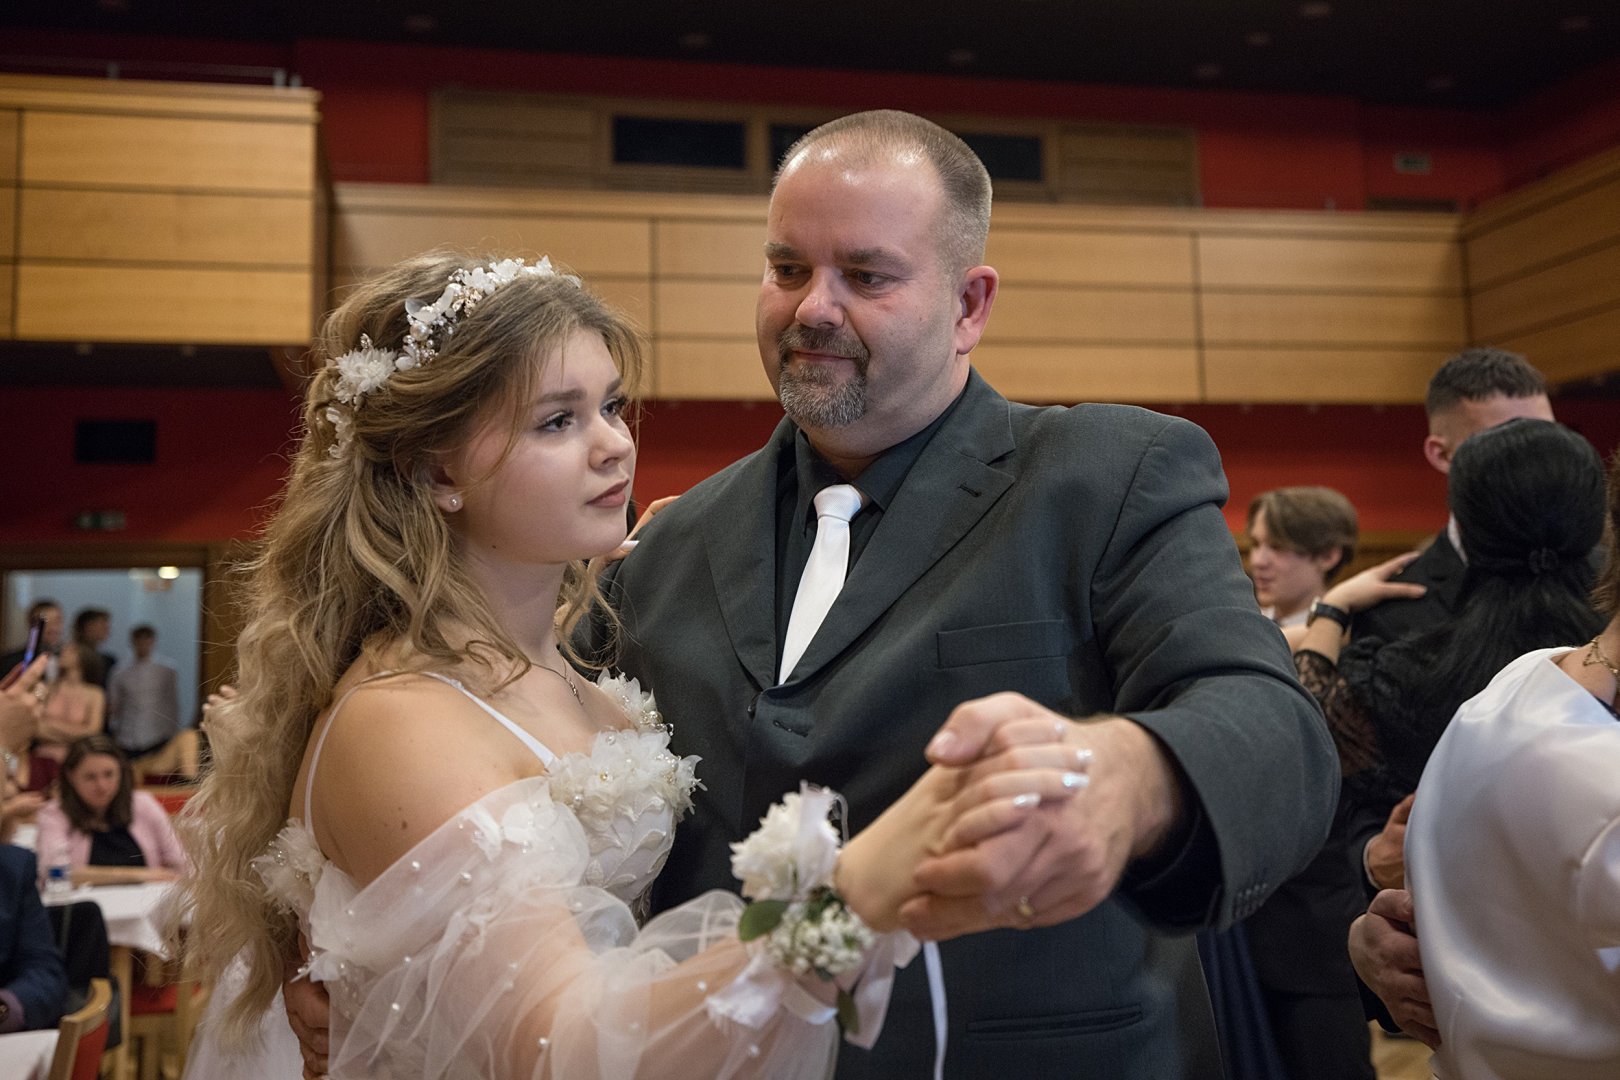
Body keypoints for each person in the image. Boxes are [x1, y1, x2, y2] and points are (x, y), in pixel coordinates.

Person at [176, 251, 1087, 1080]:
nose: (614, 443)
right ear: (434, 472)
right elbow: (560, 1050)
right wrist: (849, 902)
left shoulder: (575, 652)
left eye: (611, 406)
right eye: (556, 421)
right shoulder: (403, 720)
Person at [555, 110, 1335, 1078]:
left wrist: (1134, 775)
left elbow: (1272, 725)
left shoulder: (1109, 478)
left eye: (866, 276)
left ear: (970, 304)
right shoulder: (667, 543)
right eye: (788, 268)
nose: (812, 308)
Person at [1353, 348, 1553, 646]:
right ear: (1442, 454)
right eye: (1503, 442)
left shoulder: (1603, 580)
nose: (1534, 459)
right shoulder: (1390, 608)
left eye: (1548, 438)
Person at [35, 734, 188, 885]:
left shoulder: (143, 803)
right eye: (90, 777)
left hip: (146, 899)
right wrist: (138, 875)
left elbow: (182, 863)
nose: (101, 786)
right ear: (71, 777)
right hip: (86, 901)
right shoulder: (54, 814)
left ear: (121, 772)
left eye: (109, 774)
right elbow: (55, 872)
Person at [1245, 486, 1358, 630]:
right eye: (1255, 544)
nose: (1257, 561)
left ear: (1327, 557)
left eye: (1277, 546)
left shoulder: (1345, 634)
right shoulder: (1243, 622)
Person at [107, 626, 180, 763]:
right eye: (139, 641)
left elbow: (172, 702)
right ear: (133, 642)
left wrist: (172, 730)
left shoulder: (167, 669)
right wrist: (114, 728)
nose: (143, 645)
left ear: (153, 641)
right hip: (127, 734)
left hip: (158, 733)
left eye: (146, 640)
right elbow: (114, 703)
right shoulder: (120, 671)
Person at [36, 643, 107, 766]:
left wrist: (50, 725)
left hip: (78, 761)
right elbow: (35, 727)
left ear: (82, 658)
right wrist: (76, 733)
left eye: (70, 651)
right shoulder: (46, 689)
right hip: (43, 758)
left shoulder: (95, 694)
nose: (63, 653)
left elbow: (93, 732)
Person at [71, 608, 116, 690]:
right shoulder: (72, 657)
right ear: (87, 627)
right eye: (101, 624)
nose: (107, 629)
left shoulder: (108, 661)